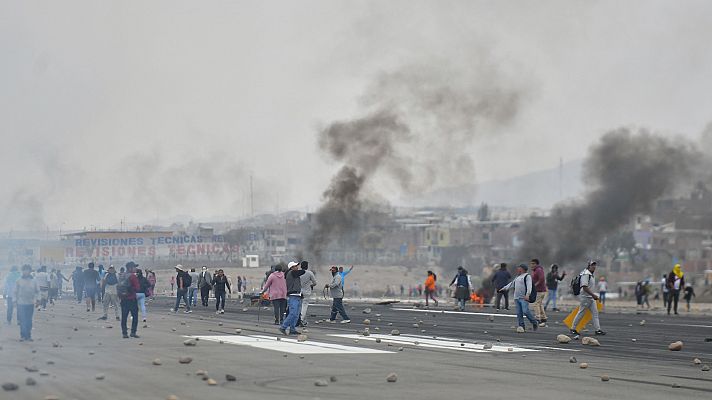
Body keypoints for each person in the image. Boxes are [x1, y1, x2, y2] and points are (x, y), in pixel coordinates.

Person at [498, 264, 538, 332]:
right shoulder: (517, 277)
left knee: (525, 311)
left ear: (522, 269)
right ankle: (521, 326)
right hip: (516, 298)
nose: (517, 269)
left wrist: (527, 295)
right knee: (519, 313)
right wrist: (503, 289)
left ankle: (534, 322)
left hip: (523, 297)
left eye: (518, 268)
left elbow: (529, 286)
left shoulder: (527, 276)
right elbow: (511, 284)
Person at [571, 261, 605, 337]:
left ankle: (598, 330)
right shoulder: (586, 274)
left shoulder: (591, 274)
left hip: (590, 297)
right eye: (592, 265)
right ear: (589, 266)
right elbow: (584, 287)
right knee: (581, 313)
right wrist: (593, 295)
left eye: (595, 265)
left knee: (595, 313)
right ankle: (573, 329)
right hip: (585, 297)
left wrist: (593, 296)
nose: (594, 267)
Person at [279, 262, 306, 335]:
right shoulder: (291, 273)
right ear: (291, 267)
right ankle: (283, 327)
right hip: (293, 296)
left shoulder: (293, 274)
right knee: (293, 313)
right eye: (296, 266)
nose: (297, 267)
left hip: (297, 295)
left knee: (296, 314)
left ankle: (292, 329)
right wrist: (304, 268)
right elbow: (302, 272)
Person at [15, 265, 39, 341]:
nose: (26, 272)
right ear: (22, 271)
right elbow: (15, 292)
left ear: (30, 271)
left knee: (29, 320)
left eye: (27, 270)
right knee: (22, 320)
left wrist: (38, 300)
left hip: (30, 303)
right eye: (24, 270)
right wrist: (14, 301)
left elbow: (38, 291)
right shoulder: (19, 281)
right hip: (21, 303)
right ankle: (22, 335)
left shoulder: (34, 281)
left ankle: (28, 335)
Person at [119, 261, 141, 338]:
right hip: (132, 299)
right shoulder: (133, 276)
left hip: (123, 299)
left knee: (124, 317)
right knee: (135, 316)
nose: (136, 268)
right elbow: (138, 288)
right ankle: (133, 332)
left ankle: (124, 333)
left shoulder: (122, 275)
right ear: (130, 268)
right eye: (135, 267)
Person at [298, 261, 317, 327]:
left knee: (299, 306)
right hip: (307, 291)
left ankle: (299, 319)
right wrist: (310, 285)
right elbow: (315, 283)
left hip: (299, 291)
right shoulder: (309, 273)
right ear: (307, 266)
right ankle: (301, 319)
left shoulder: (298, 273)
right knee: (304, 306)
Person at [530, 259, 547, 325]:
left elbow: (542, 279)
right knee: (539, 304)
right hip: (539, 290)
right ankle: (543, 317)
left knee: (536, 304)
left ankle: (538, 318)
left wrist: (535, 285)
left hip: (539, 290)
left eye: (533, 263)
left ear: (537, 264)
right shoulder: (535, 270)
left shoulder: (538, 270)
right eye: (531, 263)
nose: (532, 265)